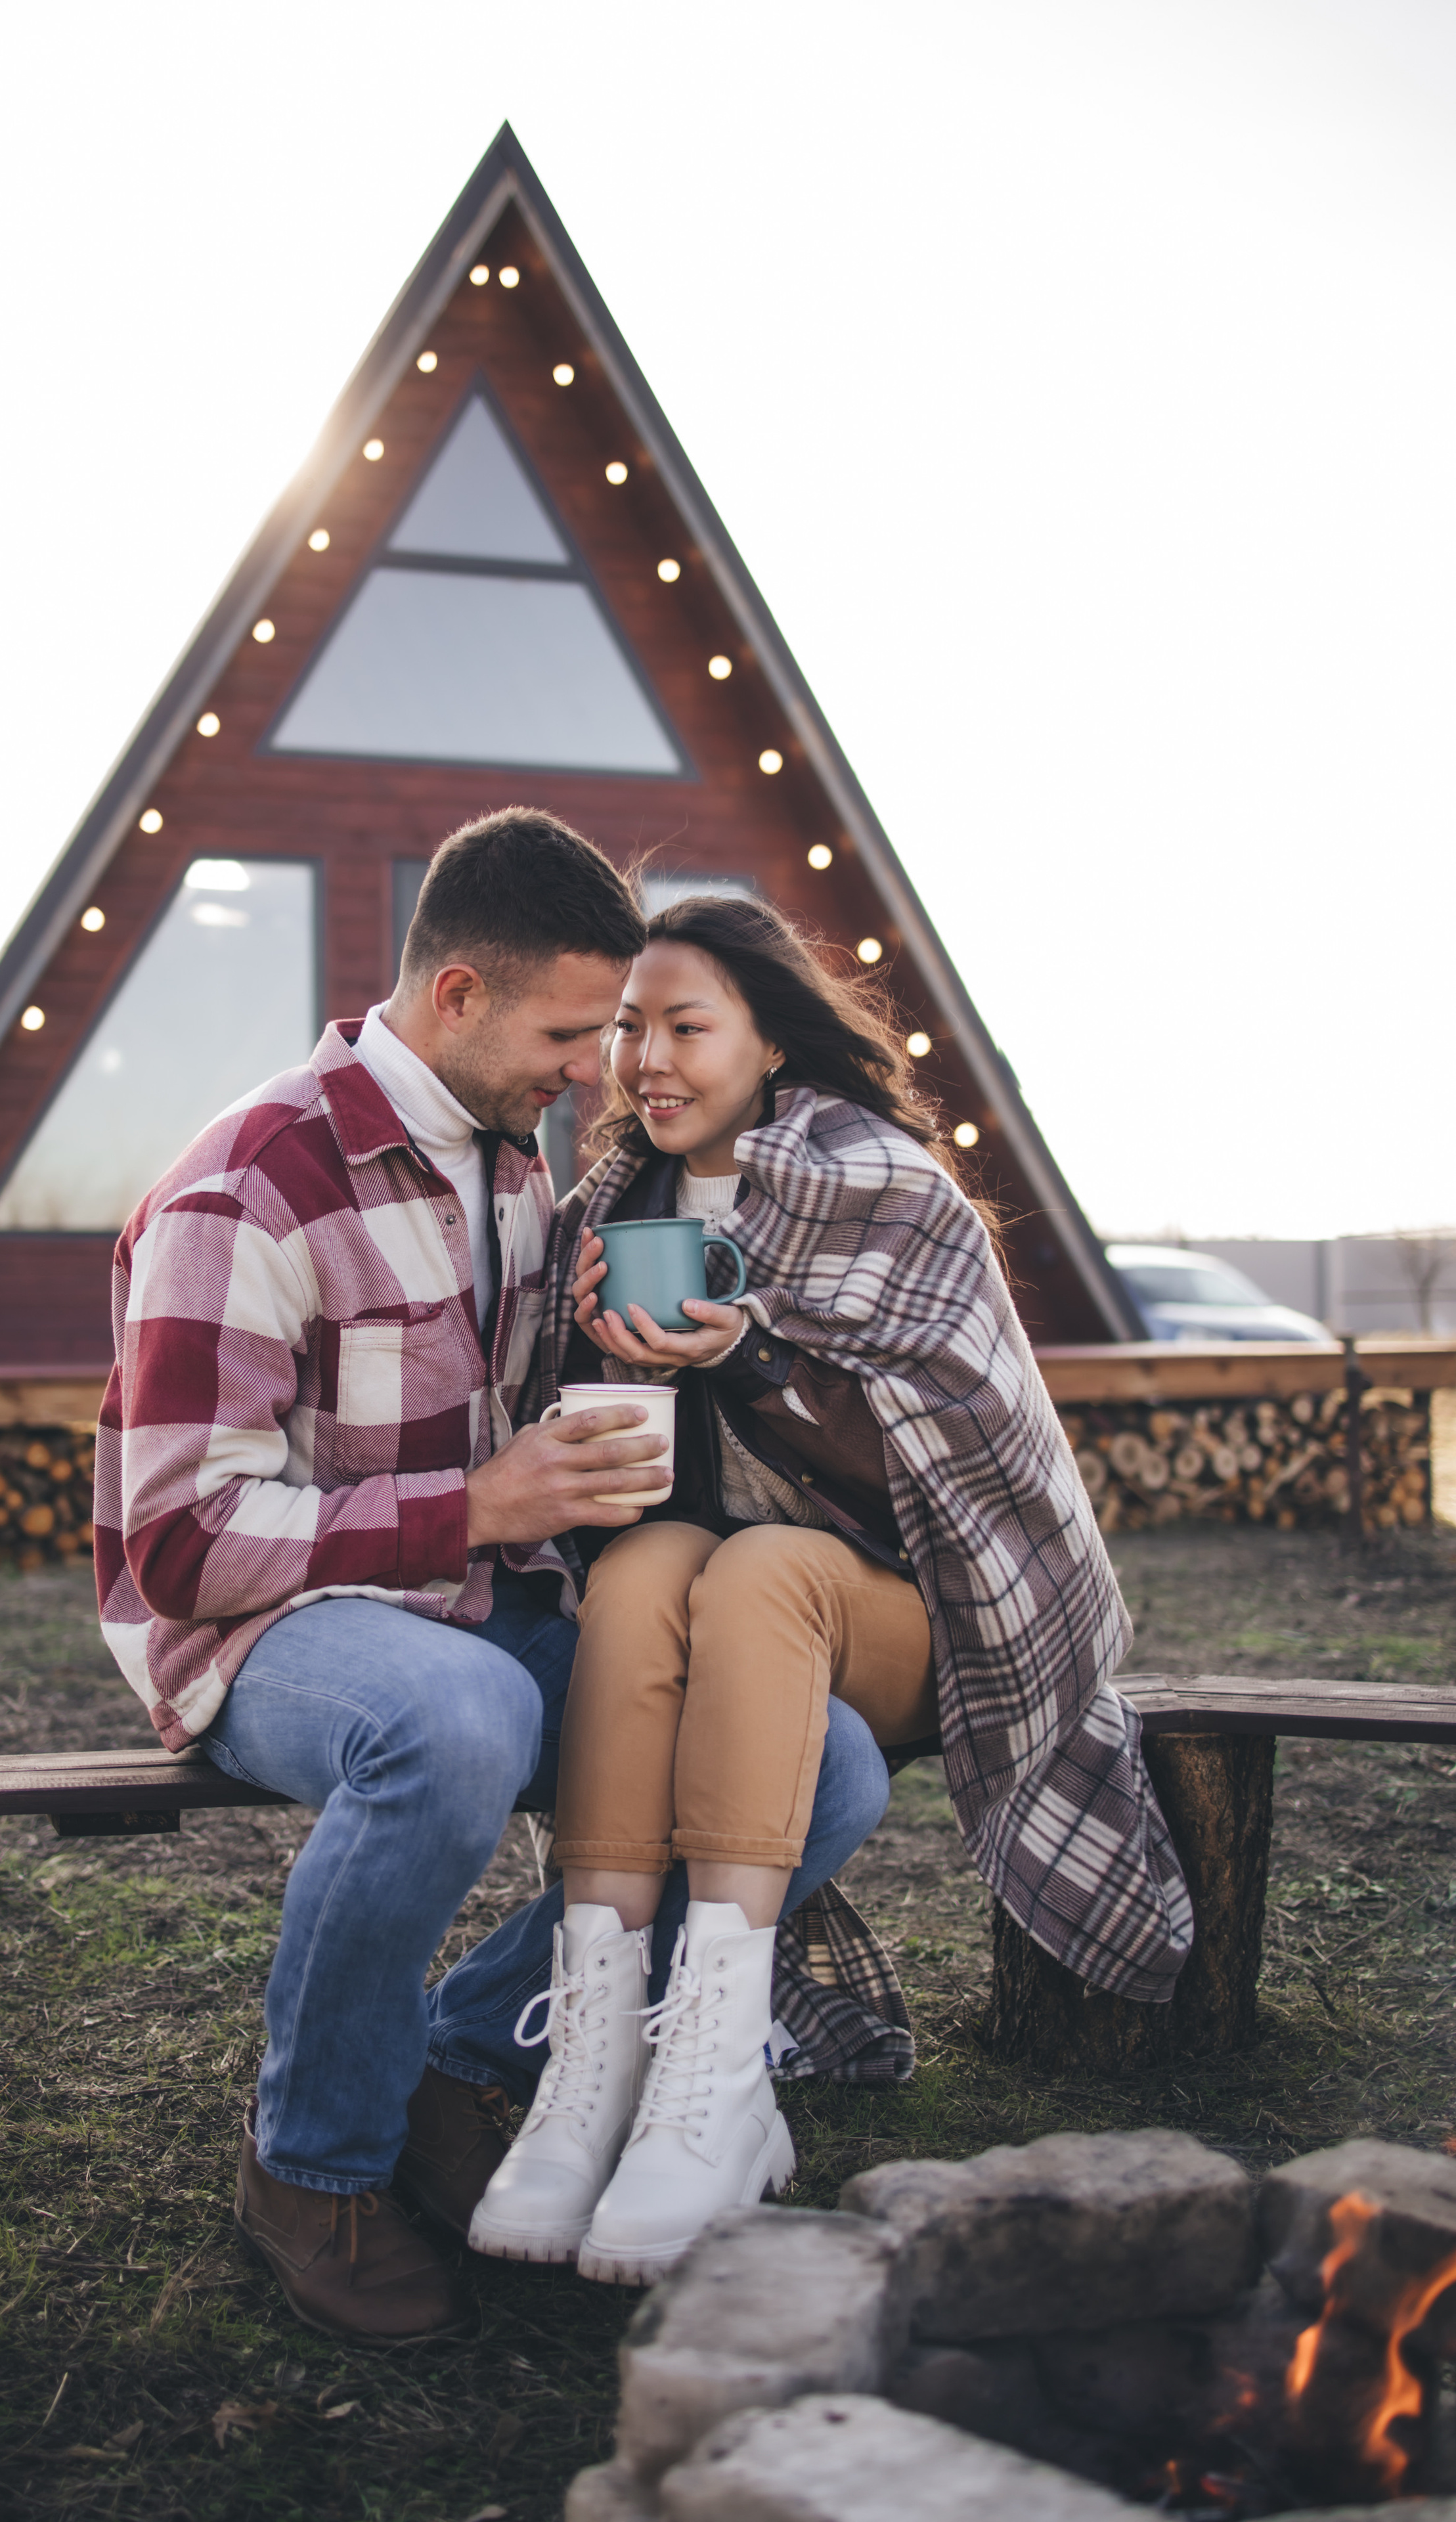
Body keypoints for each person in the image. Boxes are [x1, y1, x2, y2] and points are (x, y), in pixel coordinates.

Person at [91, 812, 890, 2343]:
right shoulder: (246, 1184)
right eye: (570, 1035)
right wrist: (473, 1505)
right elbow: (176, 1545)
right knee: (457, 1720)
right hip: (264, 1632)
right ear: (456, 993)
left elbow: (501, 1428)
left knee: (825, 1763)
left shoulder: (515, 1162)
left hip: (481, 1605)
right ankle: (311, 2163)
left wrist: (599, 1356)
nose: (596, 1073)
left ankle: (455, 2061)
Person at [460, 893, 1195, 2284]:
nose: (647, 1062)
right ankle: (596, 2070)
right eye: (629, 1030)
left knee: (764, 1568)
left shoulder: (886, 1187)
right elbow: (627, 1494)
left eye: (687, 1027)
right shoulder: (607, 1208)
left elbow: (943, 1465)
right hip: (713, 1596)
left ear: (771, 1041)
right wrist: (602, 1363)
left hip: (924, 1615)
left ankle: (722, 2076)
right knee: (645, 1574)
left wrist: (747, 1360)